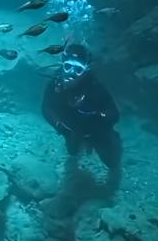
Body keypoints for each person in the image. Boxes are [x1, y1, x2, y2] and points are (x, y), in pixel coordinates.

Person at [41, 42, 121, 177]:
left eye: (78, 70)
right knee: (73, 151)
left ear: (86, 70)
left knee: (112, 162)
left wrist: (99, 116)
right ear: (62, 65)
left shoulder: (95, 88)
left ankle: (113, 141)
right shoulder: (54, 84)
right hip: (70, 129)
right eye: (67, 67)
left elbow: (114, 114)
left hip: (97, 130)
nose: (71, 73)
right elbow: (46, 107)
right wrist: (59, 126)